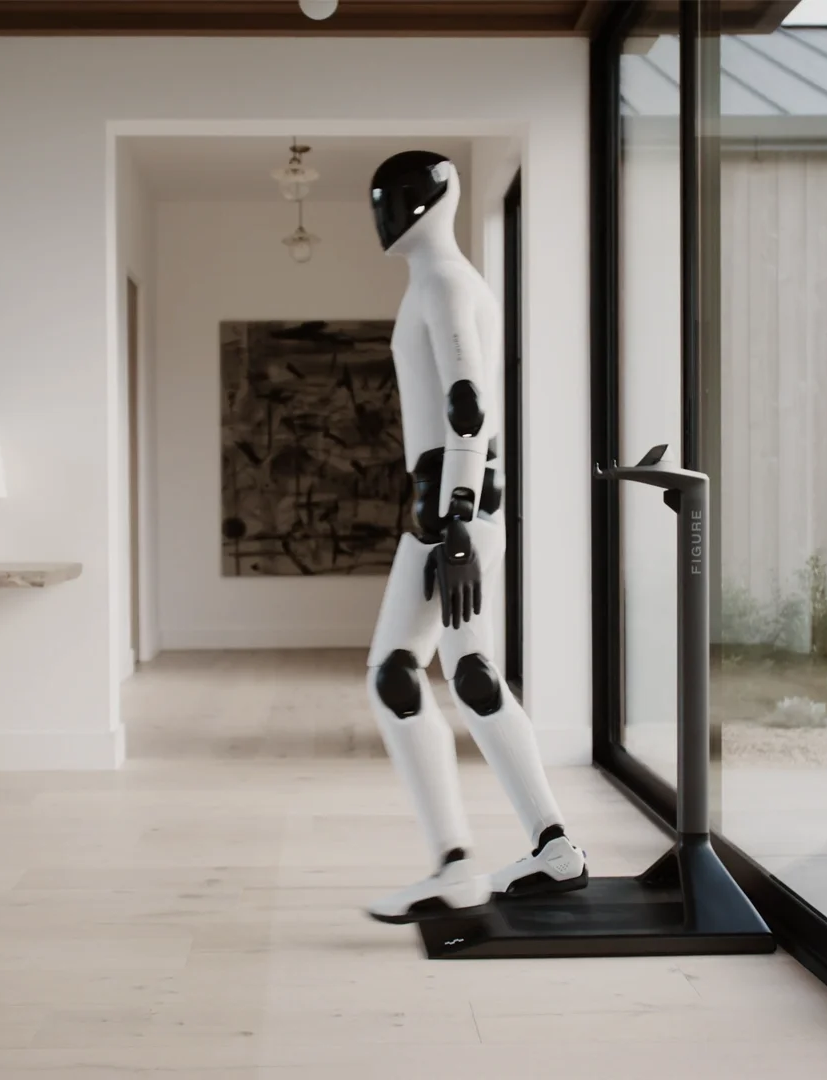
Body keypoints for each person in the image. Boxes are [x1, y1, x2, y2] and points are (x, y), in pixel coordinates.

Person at [362, 150, 588, 924]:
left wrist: (455, 523)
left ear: (438, 195)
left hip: (452, 508)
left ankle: (456, 865)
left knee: (398, 673)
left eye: (396, 198)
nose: (385, 214)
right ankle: (552, 846)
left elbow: (468, 403)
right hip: (451, 506)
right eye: (379, 201)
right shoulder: (435, 284)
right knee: (470, 675)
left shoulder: (447, 283)